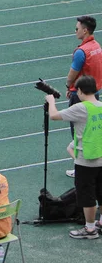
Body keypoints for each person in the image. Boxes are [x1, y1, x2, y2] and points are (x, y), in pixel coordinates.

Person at [47, 75, 102, 239]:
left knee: (87, 196)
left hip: (86, 160)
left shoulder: (81, 108)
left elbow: (54, 116)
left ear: (80, 91)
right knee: (101, 193)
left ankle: (90, 229)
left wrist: (51, 101)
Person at [64, 16, 102, 178]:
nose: (75, 31)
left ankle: (81, 168)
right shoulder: (97, 46)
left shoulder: (81, 52)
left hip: (80, 96)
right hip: (95, 94)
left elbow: (72, 74)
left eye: (77, 28)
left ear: (85, 30)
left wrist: (68, 86)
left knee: (78, 134)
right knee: (93, 131)